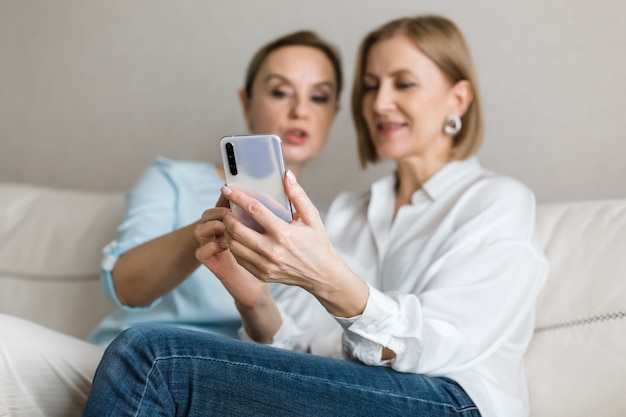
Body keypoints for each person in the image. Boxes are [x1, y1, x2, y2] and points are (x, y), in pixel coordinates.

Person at [82, 15, 547, 417]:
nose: (379, 102)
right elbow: (298, 345)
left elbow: (441, 346)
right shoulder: (347, 211)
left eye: (402, 83)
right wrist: (254, 299)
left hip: (452, 400)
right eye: (370, 85)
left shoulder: (496, 202)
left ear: (458, 100)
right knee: (149, 353)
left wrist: (328, 279)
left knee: (152, 357)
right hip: (359, 390)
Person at [0, 30, 342, 417]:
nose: (300, 110)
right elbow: (126, 286)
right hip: (121, 365)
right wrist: (206, 232)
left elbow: (290, 351)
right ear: (247, 102)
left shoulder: (333, 227)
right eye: (281, 91)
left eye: (319, 96)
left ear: (334, 113)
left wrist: (253, 297)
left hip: (218, 385)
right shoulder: (172, 179)